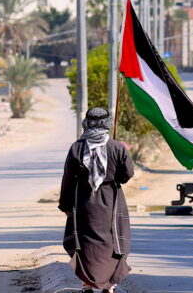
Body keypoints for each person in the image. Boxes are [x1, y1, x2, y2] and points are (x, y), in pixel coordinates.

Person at [58, 107, 134, 293]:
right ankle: (109, 285)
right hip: (111, 201)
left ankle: (87, 284)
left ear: (87, 122)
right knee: (111, 241)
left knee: (86, 242)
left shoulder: (77, 147)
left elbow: (68, 178)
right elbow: (127, 174)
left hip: (84, 202)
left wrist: (66, 205)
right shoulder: (117, 147)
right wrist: (115, 177)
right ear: (107, 123)